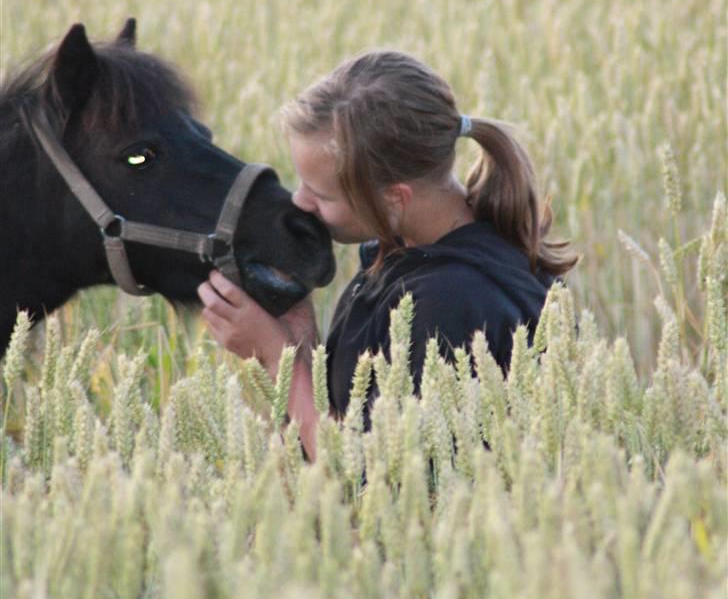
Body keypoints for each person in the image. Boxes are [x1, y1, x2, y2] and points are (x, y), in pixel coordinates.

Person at [198, 50, 579, 459]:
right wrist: (298, 339)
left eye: (321, 194)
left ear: (395, 199)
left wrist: (276, 361)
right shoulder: (420, 255)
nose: (299, 200)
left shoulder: (447, 305)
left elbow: (374, 486)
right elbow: (346, 420)